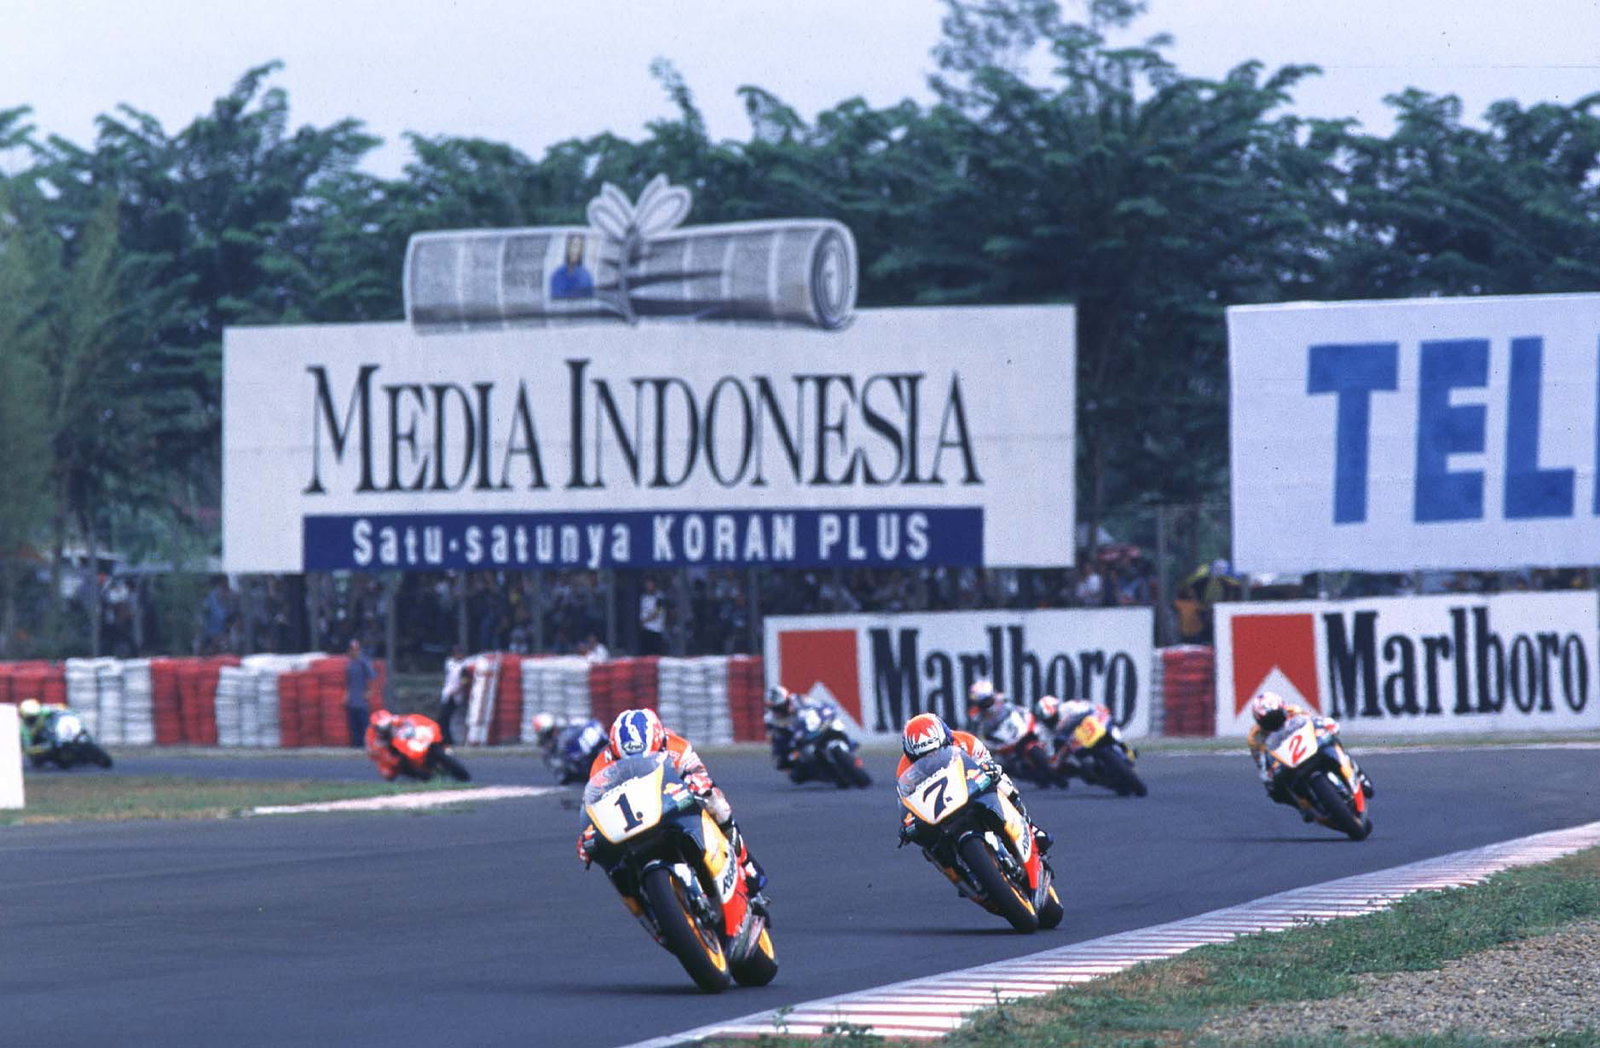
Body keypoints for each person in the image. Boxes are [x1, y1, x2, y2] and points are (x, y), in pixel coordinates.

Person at [578, 708, 767, 894]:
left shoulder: (676, 746)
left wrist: (698, 781)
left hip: (667, 800)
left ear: (660, 743)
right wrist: (587, 833)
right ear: (614, 752)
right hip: (631, 818)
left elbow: (698, 771)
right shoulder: (602, 764)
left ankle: (745, 861)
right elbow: (592, 805)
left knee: (715, 801)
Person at [895, 712, 1051, 854]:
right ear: (911, 756)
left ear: (947, 740)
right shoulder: (904, 770)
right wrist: (909, 823)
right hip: (938, 810)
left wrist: (988, 770)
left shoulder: (965, 741)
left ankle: (1031, 828)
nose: (931, 758)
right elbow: (907, 803)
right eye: (923, 757)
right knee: (927, 846)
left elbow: (987, 762)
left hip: (968, 788)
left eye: (936, 751)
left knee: (1000, 780)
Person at [1247, 691, 1374, 812]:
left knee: (1331, 742)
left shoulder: (1293, 710)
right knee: (1276, 792)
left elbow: (1312, 721)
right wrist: (1268, 775)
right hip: (1286, 760)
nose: (1274, 722)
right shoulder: (1255, 737)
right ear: (1259, 721)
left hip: (1306, 746)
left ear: (1282, 708)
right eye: (1268, 720)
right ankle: (1302, 807)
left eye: (1277, 716)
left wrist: (1326, 724)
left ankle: (1358, 774)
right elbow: (1261, 763)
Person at [436, 644, 472, 746]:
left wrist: (456, 690)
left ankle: (447, 741)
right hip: (447, 693)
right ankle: (447, 740)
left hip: (455, 695)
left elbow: (464, 681)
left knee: (444, 718)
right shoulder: (450, 663)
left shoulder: (464, 666)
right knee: (443, 719)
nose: (457, 655)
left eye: (459, 653)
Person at [344, 639, 377, 748]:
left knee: (363, 724)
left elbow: (372, 677)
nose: (354, 652)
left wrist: (369, 692)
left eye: (357, 649)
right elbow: (348, 682)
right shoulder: (349, 664)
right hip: (352, 699)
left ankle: (366, 745)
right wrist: (346, 695)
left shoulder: (364, 662)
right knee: (353, 725)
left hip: (361, 701)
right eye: (352, 649)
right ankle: (356, 745)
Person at [548, 233, 595, 300]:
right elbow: (555, 300)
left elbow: (589, 301)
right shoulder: (557, 275)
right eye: (574, 246)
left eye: (580, 247)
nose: (576, 251)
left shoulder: (586, 276)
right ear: (568, 248)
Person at [364, 709, 404, 780]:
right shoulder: (370, 733)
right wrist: (379, 746)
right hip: (385, 751)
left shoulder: (396, 720)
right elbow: (371, 751)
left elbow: (410, 721)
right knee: (387, 774)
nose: (384, 729)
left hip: (401, 742)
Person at [638, 577, 666, 656]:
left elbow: (659, 612)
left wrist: (646, 620)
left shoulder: (660, 597)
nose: (648, 586)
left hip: (656, 629)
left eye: (650, 584)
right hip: (645, 630)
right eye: (647, 584)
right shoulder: (643, 597)